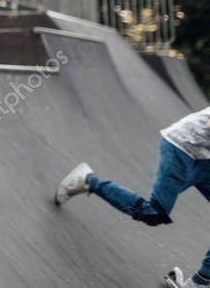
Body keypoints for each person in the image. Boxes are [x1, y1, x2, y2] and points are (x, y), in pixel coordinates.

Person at [55, 107, 210, 287]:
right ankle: (89, 181)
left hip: (204, 158)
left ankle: (200, 282)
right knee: (153, 214)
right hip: (182, 148)